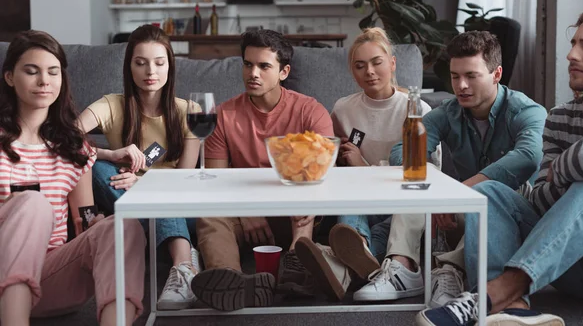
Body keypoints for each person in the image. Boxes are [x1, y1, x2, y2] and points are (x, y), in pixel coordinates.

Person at [416, 6, 583, 326]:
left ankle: (488, 297)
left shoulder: (527, 111)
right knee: (489, 191)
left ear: (495, 75)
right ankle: (513, 308)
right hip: (563, 264)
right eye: (573, 43)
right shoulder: (559, 117)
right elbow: (543, 196)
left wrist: (568, 167)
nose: (571, 54)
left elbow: (535, 162)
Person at [388, 31, 546, 307]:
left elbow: (528, 157)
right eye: (454, 76)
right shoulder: (447, 112)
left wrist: (459, 193)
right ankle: (402, 268)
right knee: (415, 180)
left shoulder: (527, 111)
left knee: (488, 194)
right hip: (458, 217)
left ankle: (450, 268)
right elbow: (401, 154)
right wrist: (439, 191)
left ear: (496, 74)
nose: (461, 85)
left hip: (515, 219)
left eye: (471, 76)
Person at [0, 30, 145, 325]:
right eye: (32, 71)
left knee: (122, 225)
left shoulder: (74, 147)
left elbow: (84, 218)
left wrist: (96, 223)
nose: (44, 81)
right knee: (33, 204)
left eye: (53, 72)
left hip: (51, 280)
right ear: (10, 77)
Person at [190, 29, 334, 311]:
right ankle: (232, 282)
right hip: (245, 215)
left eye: (264, 66)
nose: (253, 73)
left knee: (305, 198)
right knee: (210, 215)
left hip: (295, 213)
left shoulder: (310, 111)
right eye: (247, 64)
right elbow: (218, 179)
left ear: (283, 72)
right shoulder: (223, 114)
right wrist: (247, 210)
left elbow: (323, 173)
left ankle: (296, 265)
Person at [294, 27, 437, 302]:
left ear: (392, 64)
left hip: (401, 204)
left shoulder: (416, 110)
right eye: (360, 66)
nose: (369, 71)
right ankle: (358, 253)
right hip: (361, 203)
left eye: (376, 62)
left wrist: (365, 167)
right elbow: (330, 164)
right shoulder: (343, 109)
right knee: (351, 203)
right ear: (352, 72)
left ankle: (341, 263)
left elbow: (427, 173)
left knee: (391, 218)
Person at [78, 25, 201, 310]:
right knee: (98, 168)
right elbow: (63, 139)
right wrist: (112, 152)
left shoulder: (189, 111)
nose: (150, 72)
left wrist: (144, 186)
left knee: (163, 200)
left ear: (170, 65)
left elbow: (184, 181)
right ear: (129, 66)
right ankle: (185, 261)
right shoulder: (111, 105)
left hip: (180, 205)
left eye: (159, 63)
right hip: (126, 196)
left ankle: (181, 264)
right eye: (140, 63)